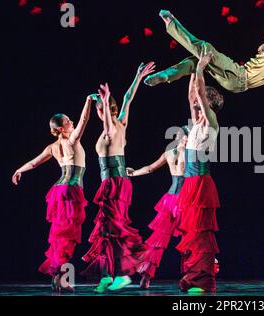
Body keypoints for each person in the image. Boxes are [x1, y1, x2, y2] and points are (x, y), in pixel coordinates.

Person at [81, 62, 156, 293]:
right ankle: (107, 275)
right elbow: (128, 98)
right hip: (114, 182)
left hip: (114, 182)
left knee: (114, 228)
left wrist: (103, 101)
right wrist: (137, 75)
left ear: (103, 110)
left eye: (100, 110)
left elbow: (108, 127)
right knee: (107, 231)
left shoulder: (113, 126)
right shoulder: (121, 120)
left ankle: (123, 273)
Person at [12, 95, 94, 292]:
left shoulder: (52, 147)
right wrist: (88, 101)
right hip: (72, 189)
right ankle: (61, 277)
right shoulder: (72, 139)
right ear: (60, 129)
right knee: (68, 235)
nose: (71, 121)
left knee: (60, 234)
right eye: (67, 121)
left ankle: (59, 276)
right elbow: (84, 120)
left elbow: (34, 162)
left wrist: (19, 170)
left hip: (58, 189)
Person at [144, 11, 264, 94]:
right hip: (235, 83)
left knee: (206, 47)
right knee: (197, 60)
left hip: (239, 75)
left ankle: (172, 24)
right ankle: (165, 76)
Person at [175, 49, 223, 292]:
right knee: (191, 231)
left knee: (202, 232)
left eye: (200, 104)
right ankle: (192, 275)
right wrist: (194, 70)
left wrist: (202, 67)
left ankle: (203, 280)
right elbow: (192, 95)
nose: (195, 104)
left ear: (209, 106)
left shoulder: (211, 123)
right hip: (191, 183)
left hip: (202, 183)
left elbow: (200, 96)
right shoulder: (194, 125)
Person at [126, 126, 189, 289]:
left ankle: (146, 277)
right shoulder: (191, 153)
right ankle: (190, 277)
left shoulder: (168, 153)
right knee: (189, 239)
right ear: (187, 138)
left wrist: (133, 173)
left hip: (169, 199)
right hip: (185, 200)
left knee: (158, 241)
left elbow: (150, 168)